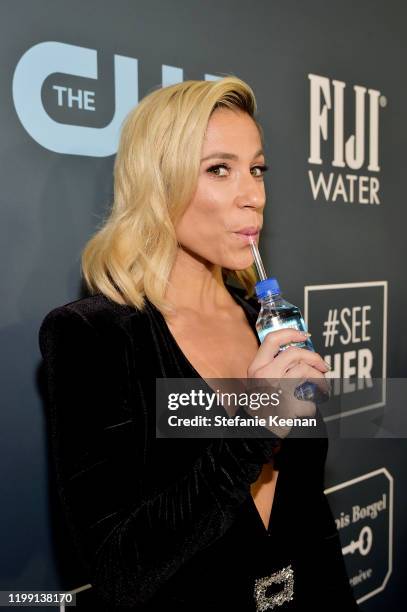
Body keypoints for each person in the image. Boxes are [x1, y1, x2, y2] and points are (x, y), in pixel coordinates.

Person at [39, 77, 359, 611]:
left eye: (257, 169)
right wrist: (253, 426)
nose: (254, 195)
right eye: (219, 169)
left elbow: (311, 519)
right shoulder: (94, 336)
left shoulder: (268, 320)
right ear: (157, 183)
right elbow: (119, 571)